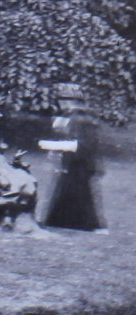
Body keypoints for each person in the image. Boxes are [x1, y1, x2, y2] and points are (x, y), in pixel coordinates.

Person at [42, 84, 106, 231]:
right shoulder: (73, 117)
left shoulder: (79, 118)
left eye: (65, 100)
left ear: (73, 101)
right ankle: (62, 222)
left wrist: (54, 146)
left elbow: (81, 144)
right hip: (76, 162)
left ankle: (88, 225)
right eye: (61, 100)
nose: (62, 103)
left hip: (81, 163)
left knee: (80, 194)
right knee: (70, 192)